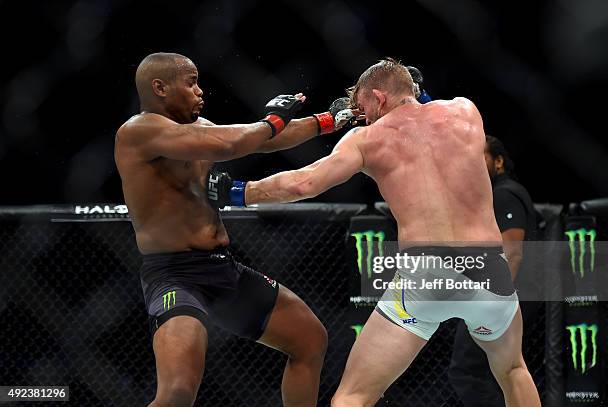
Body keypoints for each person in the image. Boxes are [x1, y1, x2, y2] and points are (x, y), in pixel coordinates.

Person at [212, 59, 541, 407]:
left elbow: (304, 183)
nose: (362, 117)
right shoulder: (465, 112)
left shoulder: (366, 139)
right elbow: (428, 120)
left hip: (427, 274)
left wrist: (237, 192)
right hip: (488, 268)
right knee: (513, 370)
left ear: (380, 98)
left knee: (353, 395)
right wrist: (419, 94)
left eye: (364, 108)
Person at [114, 52, 357, 407]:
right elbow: (231, 144)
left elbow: (265, 139)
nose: (200, 91)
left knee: (309, 339)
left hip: (222, 268)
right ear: (160, 87)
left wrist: (330, 120)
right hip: (175, 276)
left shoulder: (199, 129)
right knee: (178, 391)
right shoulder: (138, 132)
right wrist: (272, 119)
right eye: (191, 82)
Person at [448, 135, 539, 406]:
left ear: (498, 161)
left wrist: (493, 300)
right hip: (508, 293)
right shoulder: (496, 194)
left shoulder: (504, 193)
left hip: (506, 295)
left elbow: (513, 252)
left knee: (467, 370)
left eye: (481, 157)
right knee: (506, 370)